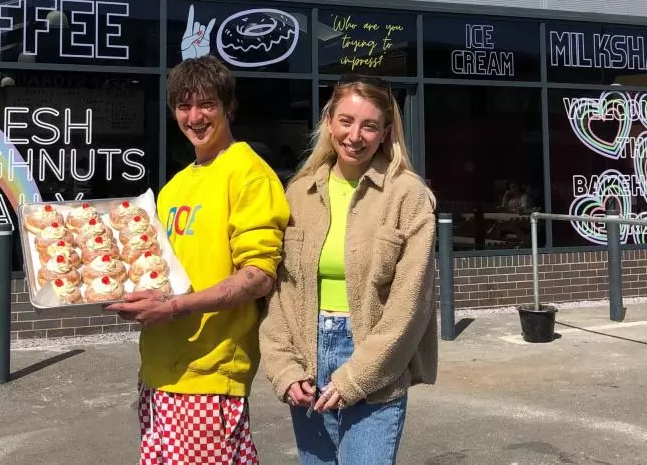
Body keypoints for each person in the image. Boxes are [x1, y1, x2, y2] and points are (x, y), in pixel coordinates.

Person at [107, 55, 289, 464]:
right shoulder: (174, 187)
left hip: (210, 374)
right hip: (158, 371)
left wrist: (172, 308)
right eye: (184, 106)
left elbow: (259, 276)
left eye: (207, 104)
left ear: (229, 107)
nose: (195, 116)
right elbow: (162, 274)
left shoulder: (248, 173)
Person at [259, 73, 438, 465]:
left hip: (376, 362)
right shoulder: (299, 194)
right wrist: (283, 368)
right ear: (328, 122)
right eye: (346, 121)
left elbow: (411, 305)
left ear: (386, 132)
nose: (355, 135)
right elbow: (280, 295)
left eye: (369, 125)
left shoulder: (408, 196)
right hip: (308, 358)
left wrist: (356, 375)